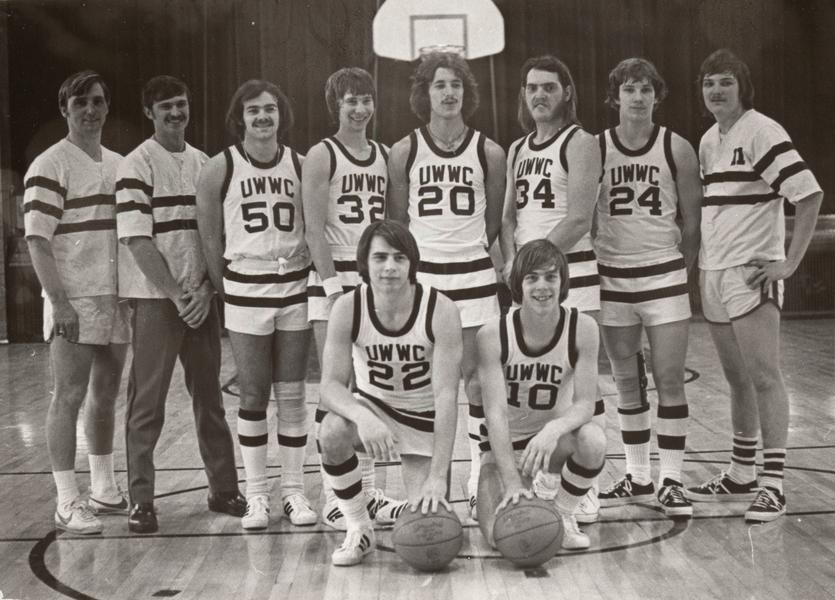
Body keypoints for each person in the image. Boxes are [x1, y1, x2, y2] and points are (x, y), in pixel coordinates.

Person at [686, 50, 822, 522]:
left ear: (742, 87)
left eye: (725, 81)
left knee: (764, 376)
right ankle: (741, 472)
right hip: (714, 272)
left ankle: (774, 485)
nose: (716, 90)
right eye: (709, 83)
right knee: (737, 378)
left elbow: (809, 195)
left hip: (750, 272)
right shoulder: (708, 140)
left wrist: (788, 264)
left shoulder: (763, 130)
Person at [116, 76, 245, 533]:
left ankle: (223, 488)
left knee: (210, 398)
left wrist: (207, 289)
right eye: (166, 106)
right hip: (158, 300)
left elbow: (219, 235)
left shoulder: (206, 163)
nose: (176, 113)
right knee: (147, 404)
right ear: (149, 112)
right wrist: (177, 294)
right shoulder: (135, 164)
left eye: (182, 104)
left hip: (200, 299)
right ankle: (141, 501)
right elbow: (136, 240)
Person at [387, 51, 506, 519]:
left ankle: (477, 480)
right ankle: (426, 485)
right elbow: (399, 221)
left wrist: (467, 251)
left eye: (456, 84)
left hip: (474, 276)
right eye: (439, 84)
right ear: (425, 93)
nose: (449, 92)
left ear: (466, 92)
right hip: (427, 283)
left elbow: (493, 222)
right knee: (426, 389)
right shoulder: (404, 150)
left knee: (476, 385)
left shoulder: (489, 152)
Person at [196, 80, 316, 530]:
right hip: (246, 287)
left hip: (294, 285)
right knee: (252, 394)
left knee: (292, 394)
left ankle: (294, 491)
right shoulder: (220, 167)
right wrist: (224, 286)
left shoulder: (301, 164)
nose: (263, 117)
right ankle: (258, 495)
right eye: (253, 110)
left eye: (270, 108)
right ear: (240, 118)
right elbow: (210, 237)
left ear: (282, 114)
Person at [593, 58, 702, 519]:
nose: (637, 97)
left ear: (657, 96)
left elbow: (693, 224)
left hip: (662, 274)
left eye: (645, 90)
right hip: (613, 275)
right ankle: (638, 475)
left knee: (669, 379)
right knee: (626, 382)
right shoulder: (596, 147)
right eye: (629, 89)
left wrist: (678, 271)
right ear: (615, 97)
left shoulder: (677, 147)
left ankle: (671, 480)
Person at [318, 220, 463, 566]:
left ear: (412, 263)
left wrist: (438, 477)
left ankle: (414, 495)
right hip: (374, 408)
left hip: (423, 417)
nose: (390, 267)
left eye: (399, 257)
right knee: (332, 430)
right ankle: (359, 527)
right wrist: (363, 417)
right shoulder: (348, 307)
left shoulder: (440, 309)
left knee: (430, 534)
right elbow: (330, 386)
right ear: (364, 263)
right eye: (380, 257)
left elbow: (446, 397)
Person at [499, 55, 604, 524]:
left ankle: (587, 486)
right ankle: (545, 474)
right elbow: (507, 218)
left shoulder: (580, 142)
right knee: (534, 380)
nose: (539, 94)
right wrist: (511, 263)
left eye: (549, 87)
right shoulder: (518, 148)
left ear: (566, 92)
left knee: (578, 387)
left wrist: (531, 262)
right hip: (528, 280)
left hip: (571, 275)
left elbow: (580, 218)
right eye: (531, 87)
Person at [24, 70, 129, 534]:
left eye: (98, 101)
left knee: (105, 396)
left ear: (107, 107)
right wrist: (59, 302)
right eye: (80, 102)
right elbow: (37, 241)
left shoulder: (120, 164)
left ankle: (104, 488)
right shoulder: (49, 164)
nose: (90, 110)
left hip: (115, 296)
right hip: (74, 297)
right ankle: (67, 499)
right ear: (64, 109)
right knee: (68, 396)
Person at [302, 67, 406, 530]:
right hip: (334, 279)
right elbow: (313, 230)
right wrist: (333, 289)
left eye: (366, 100)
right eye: (351, 101)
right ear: (336, 106)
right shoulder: (321, 154)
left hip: (373, 277)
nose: (360, 109)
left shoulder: (384, 154)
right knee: (337, 388)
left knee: (373, 389)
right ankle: (334, 497)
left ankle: (370, 493)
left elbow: (392, 227)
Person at [476, 239, 606, 551]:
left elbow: (585, 404)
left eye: (550, 276)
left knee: (593, 440)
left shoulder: (583, 327)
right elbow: (495, 415)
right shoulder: (493, 334)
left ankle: (563, 512)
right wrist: (511, 483)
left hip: (554, 445)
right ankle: (528, 490)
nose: (542, 286)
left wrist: (553, 429)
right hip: (506, 449)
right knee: (501, 539)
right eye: (532, 278)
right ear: (518, 285)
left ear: (563, 282)